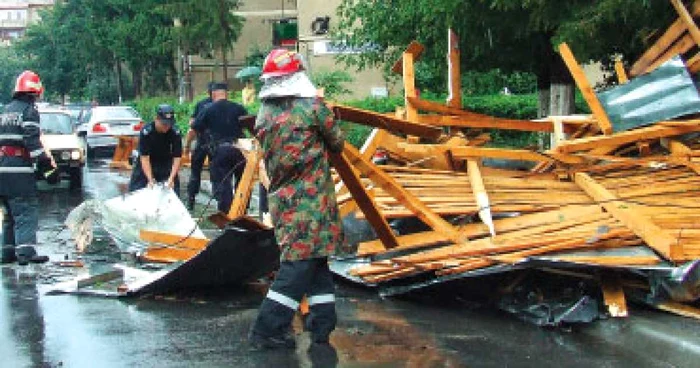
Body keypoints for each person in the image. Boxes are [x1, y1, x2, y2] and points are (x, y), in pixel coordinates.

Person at [249, 49, 345, 350]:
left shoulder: (263, 113)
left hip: (283, 199)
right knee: (298, 266)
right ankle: (267, 329)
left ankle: (321, 328)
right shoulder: (314, 108)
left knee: (315, 262)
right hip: (313, 202)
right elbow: (338, 144)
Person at [1, 70, 56, 265]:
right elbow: (32, 142)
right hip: (19, 172)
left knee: (10, 214)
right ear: (35, 92)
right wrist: (48, 168)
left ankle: (7, 253)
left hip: (2, 171)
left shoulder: (6, 110)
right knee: (25, 211)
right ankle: (26, 253)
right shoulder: (29, 111)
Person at [191, 82, 247, 213]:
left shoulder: (208, 109)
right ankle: (242, 212)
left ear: (213, 94)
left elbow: (196, 127)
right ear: (226, 94)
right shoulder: (238, 108)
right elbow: (248, 124)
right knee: (242, 182)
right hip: (240, 149)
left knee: (223, 184)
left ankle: (226, 215)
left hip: (220, 151)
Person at [128, 104, 182, 195]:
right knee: (137, 190)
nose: (167, 127)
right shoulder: (146, 132)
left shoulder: (175, 132)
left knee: (172, 190)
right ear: (156, 119)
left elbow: (177, 157)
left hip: (165, 161)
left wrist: (171, 178)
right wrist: (150, 179)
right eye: (164, 124)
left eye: (169, 124)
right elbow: (144, 157)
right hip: (147, 160)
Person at [184, 82, 214, 210]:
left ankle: (191, 200)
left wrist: (187, 145)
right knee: (217, 173)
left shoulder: (201, 105)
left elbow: (192, 126)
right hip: (217, 144)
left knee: (195, 172)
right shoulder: (225, 106)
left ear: (208, 92)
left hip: (202, 142)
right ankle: (221, 202)